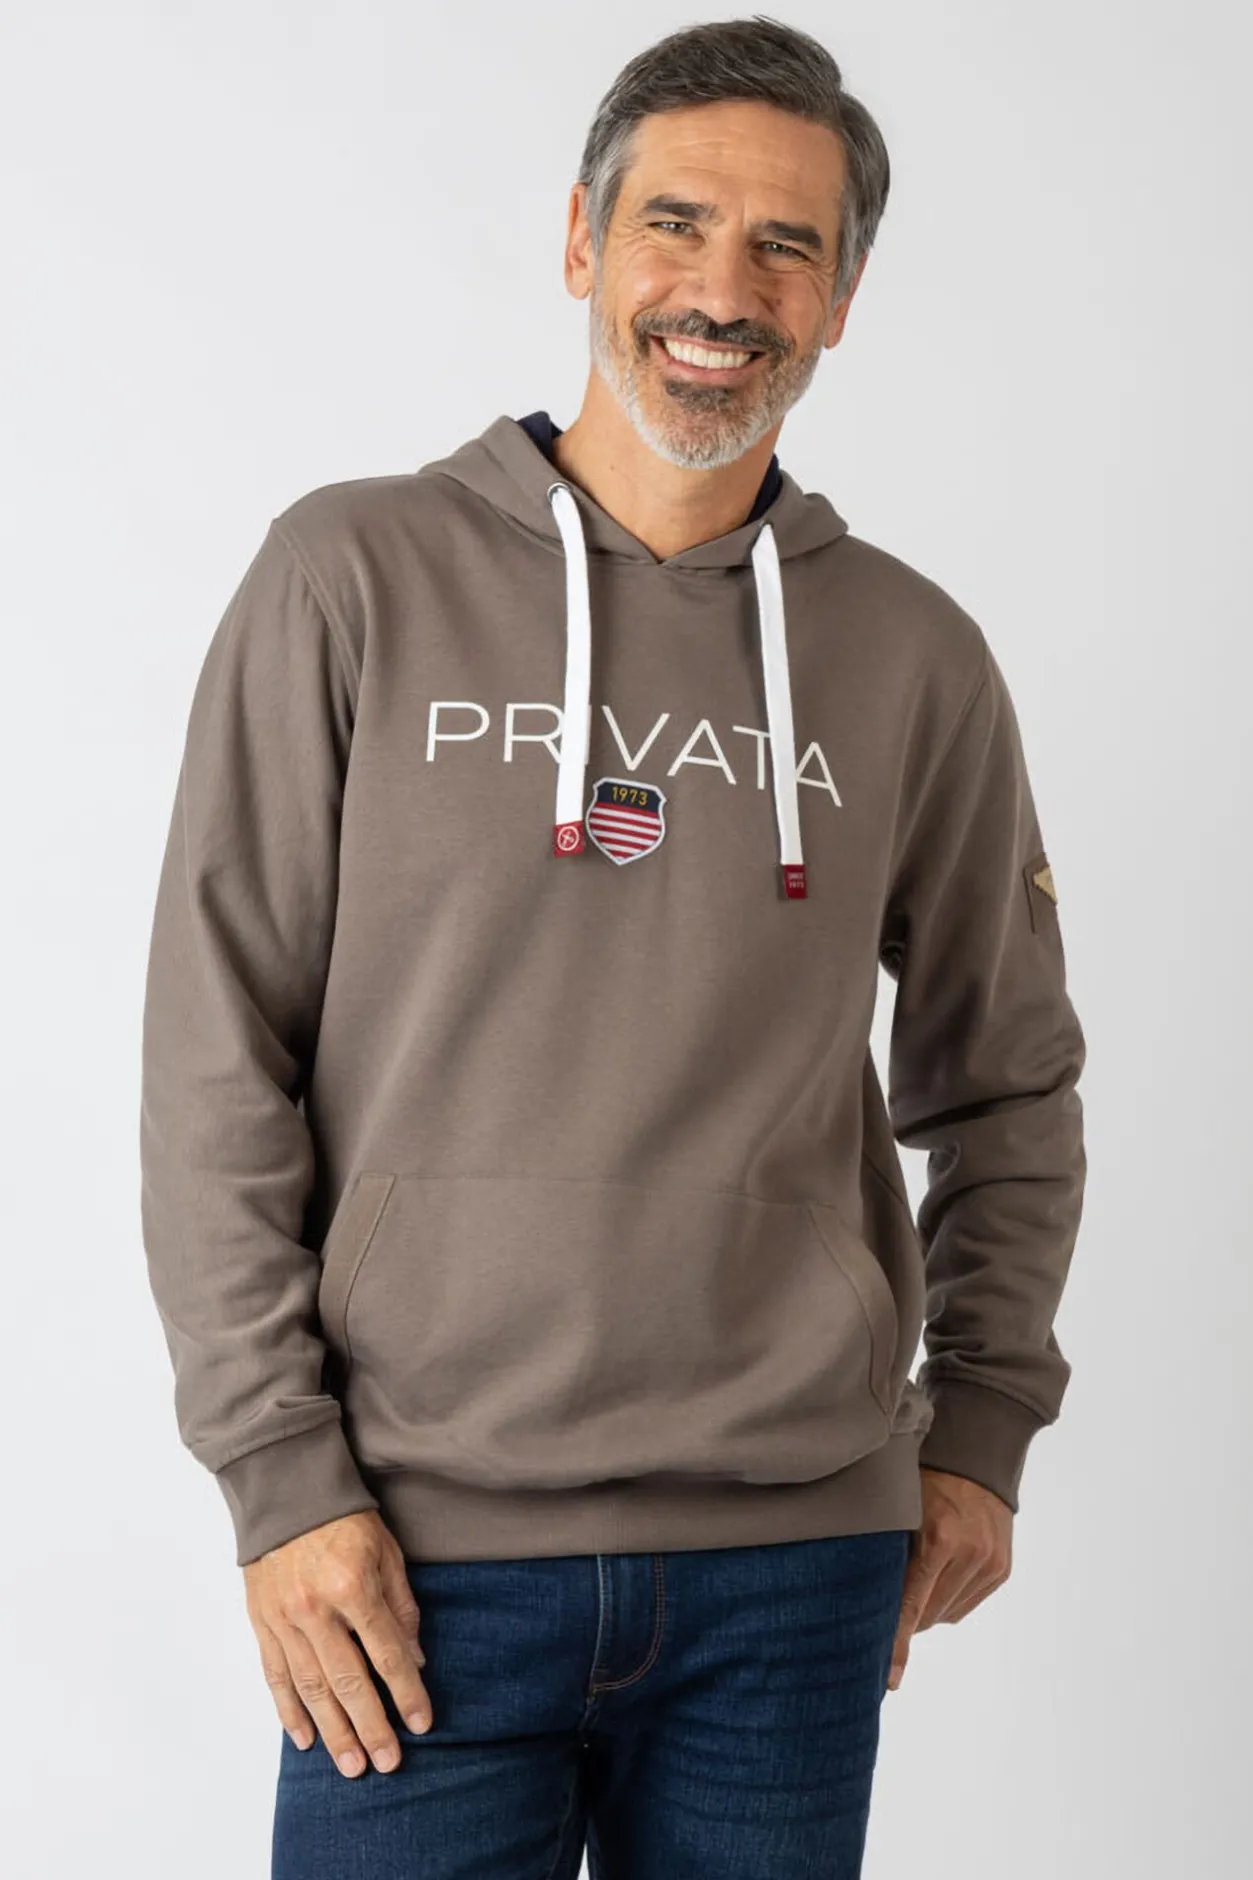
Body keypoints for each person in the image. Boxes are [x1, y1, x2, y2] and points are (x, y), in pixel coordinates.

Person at [139, 16, 1087, 1878]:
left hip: (794, 1569)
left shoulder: (913, 656)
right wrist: (276, 1476)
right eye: (676, 224)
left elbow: (1008, 1079)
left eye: (787, 247)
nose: (723, 291)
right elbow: (212, 1050)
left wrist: (980, 1423)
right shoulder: (350, 577)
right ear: (583, 241)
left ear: (841, 301)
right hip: (410, 1559)